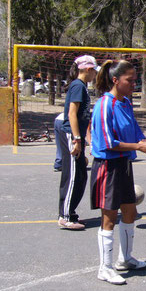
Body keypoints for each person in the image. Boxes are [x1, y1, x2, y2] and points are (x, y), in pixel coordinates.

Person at [90, 59, 146, 285]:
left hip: (123, 165)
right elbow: (108, 142)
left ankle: (125, 258)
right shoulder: (104, 104)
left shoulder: (126, 103)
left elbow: (135, 133)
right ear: (115, 80)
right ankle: (105, 268)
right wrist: (140, 147)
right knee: (109, 218)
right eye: (130, 80)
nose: (134, 84)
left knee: (129, 213)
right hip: (107, 166)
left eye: (135, 80)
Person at [58, 55, 98, 230]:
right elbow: (72, 114)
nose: (95, 75)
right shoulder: (77, 86)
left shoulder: (81, 86)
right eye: (94, 72)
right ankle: (65, 216)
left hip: (78, 134)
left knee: (81, 175)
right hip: (71, 134)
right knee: (73, 176)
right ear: (88, 70)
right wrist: (77, 139)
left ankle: (71, 212)